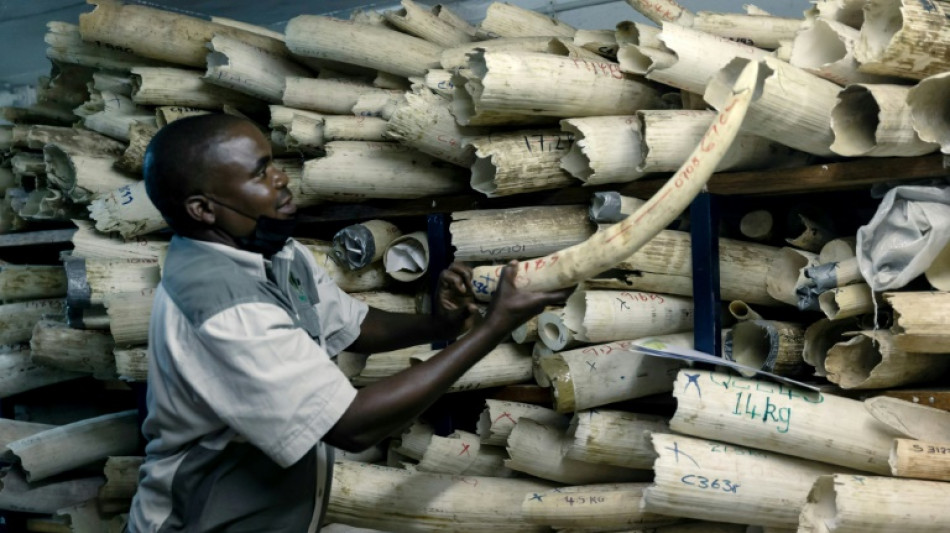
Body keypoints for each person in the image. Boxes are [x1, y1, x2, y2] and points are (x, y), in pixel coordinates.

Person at [126, 114, 571, 532]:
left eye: (274, 164)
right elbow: (353, 426)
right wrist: (493, 329)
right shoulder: (223, 306)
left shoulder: (274, 253)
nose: (281, 178)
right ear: (203, 209)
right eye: (260, 173)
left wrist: (439, 325)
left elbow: (353, 326)